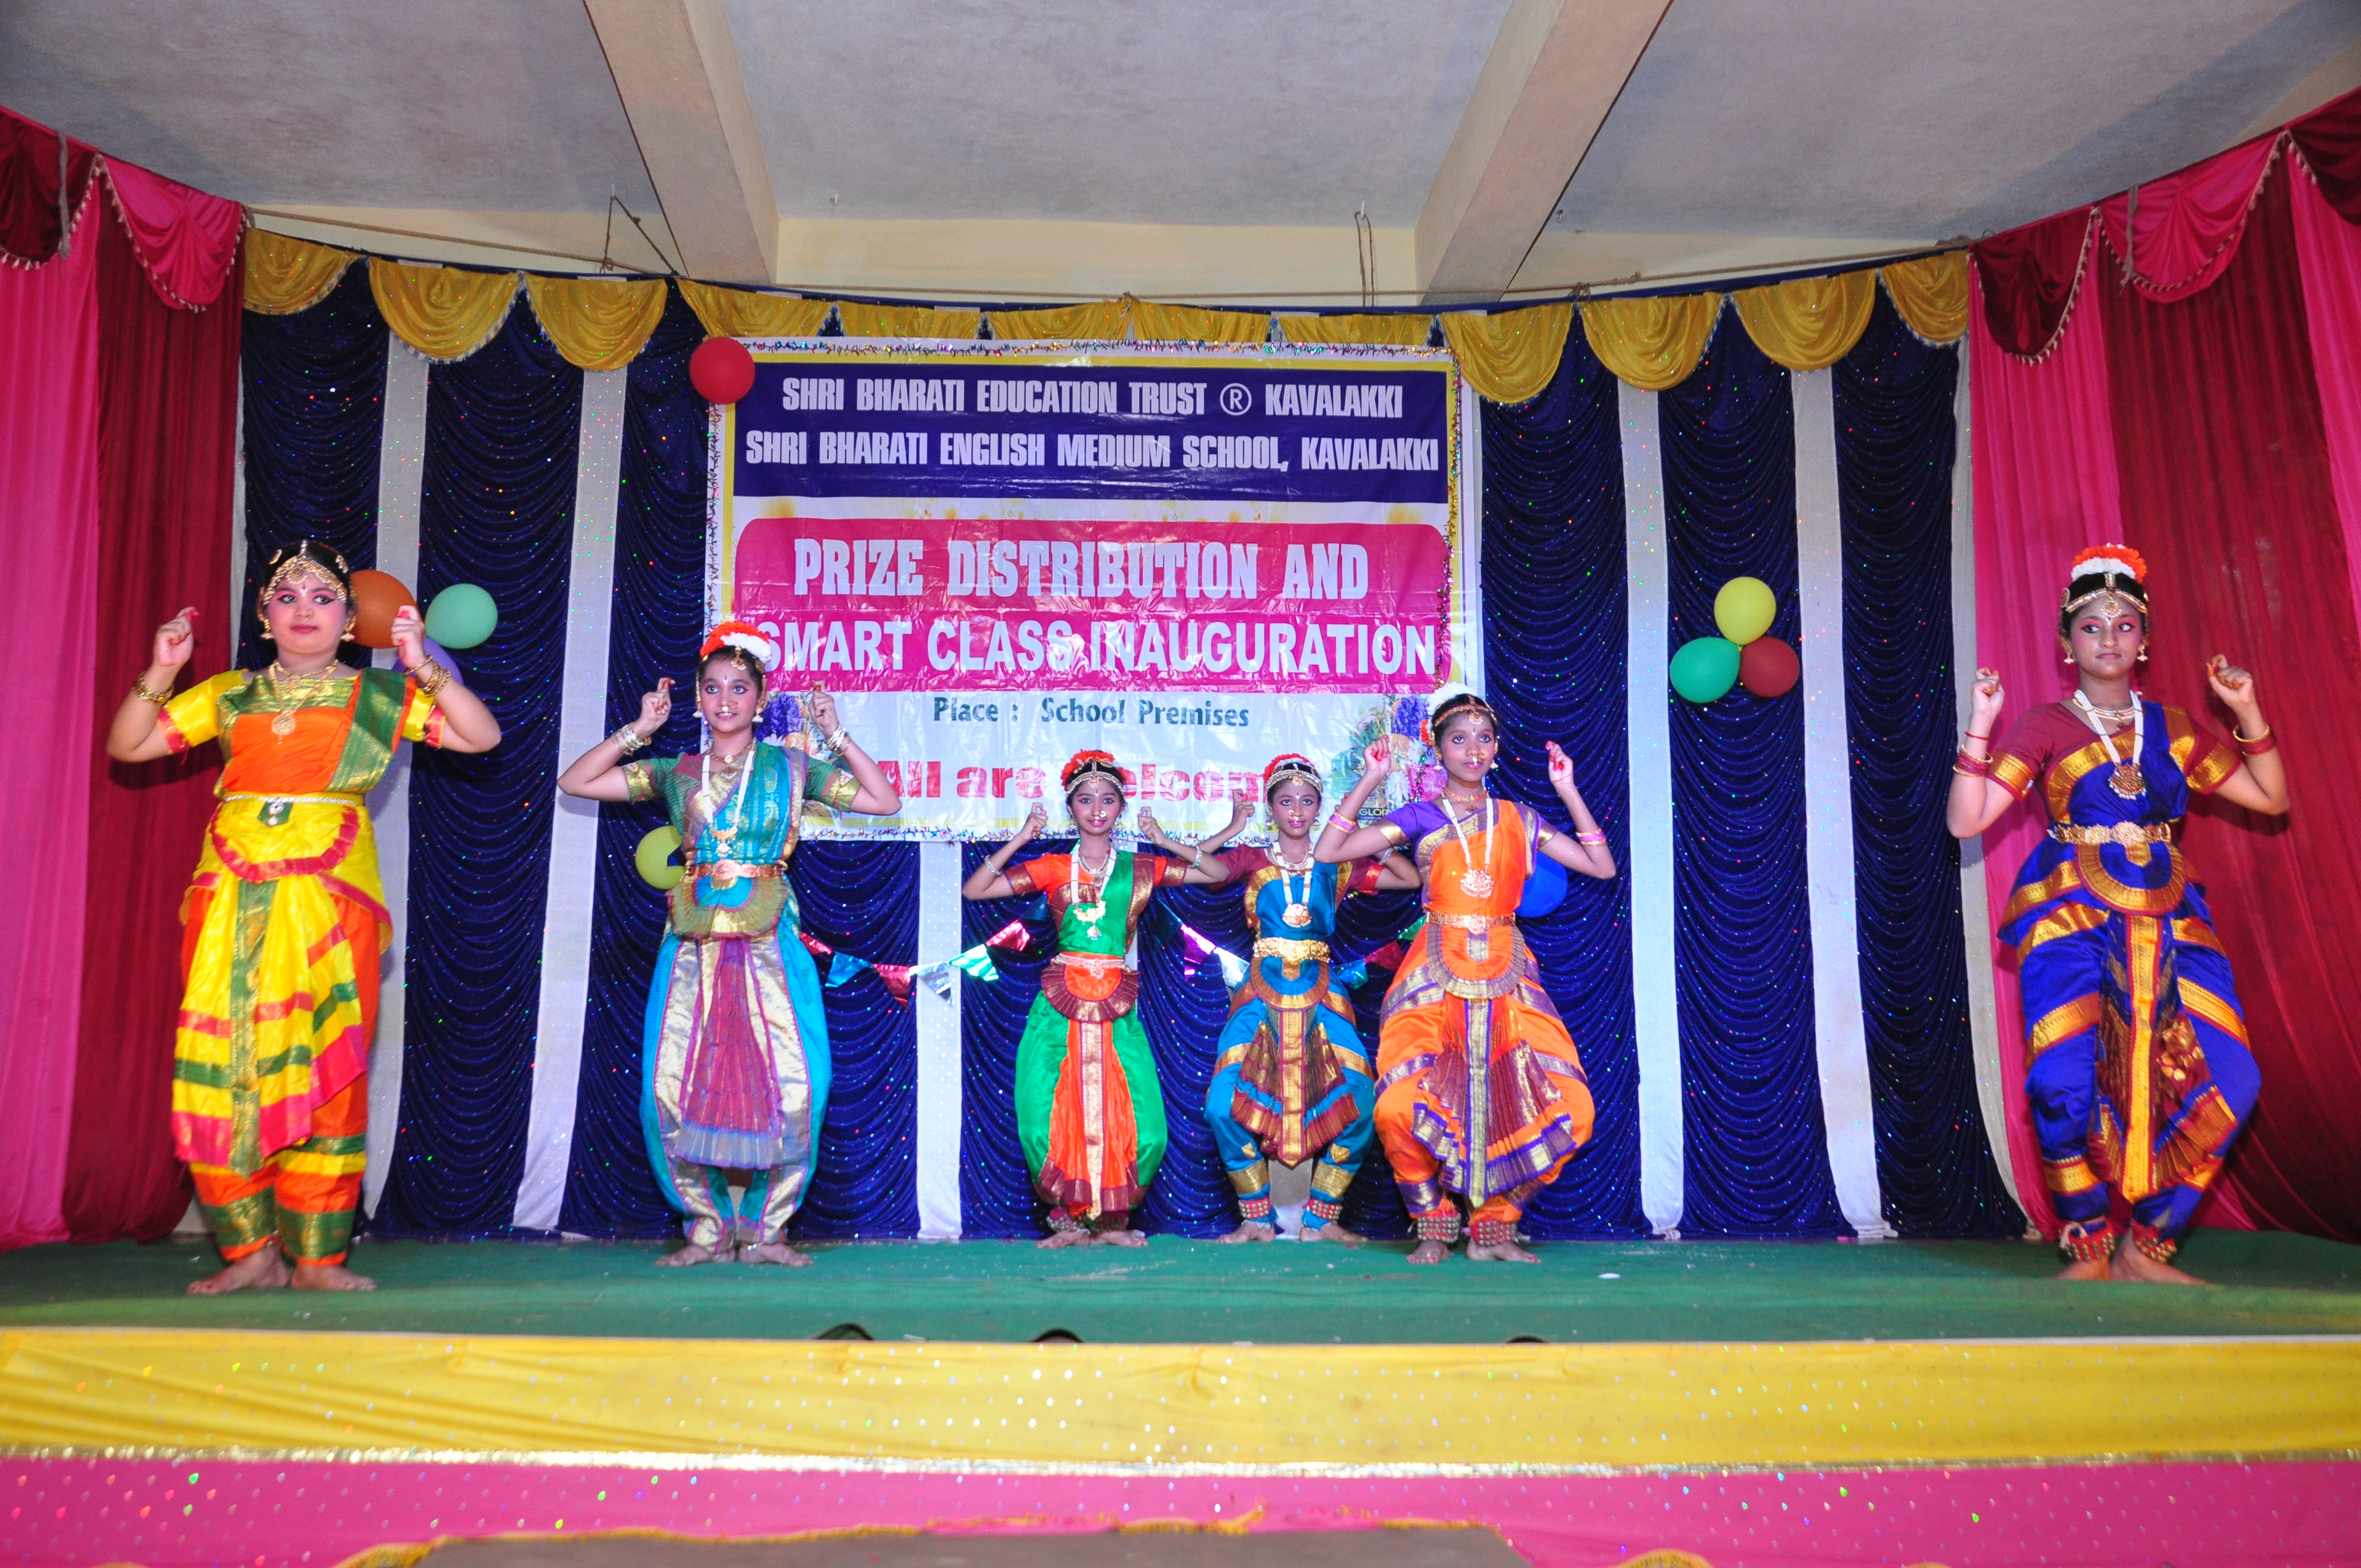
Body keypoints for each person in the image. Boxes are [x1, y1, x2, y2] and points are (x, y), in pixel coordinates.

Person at [106, 542, 502, 1294]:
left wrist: (420, 663)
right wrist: (162, 668)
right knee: (226, 1064)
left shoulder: (378, 697)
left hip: (331, 900)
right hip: (230, 896)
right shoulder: (229, 693)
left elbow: (482, 736)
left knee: (329, 1068)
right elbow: (127, 745)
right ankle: (249, 1251)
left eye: (322, 599)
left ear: (351, 620)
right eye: (286, 597)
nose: (304, 611)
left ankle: (318, 1256)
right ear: (265, 616)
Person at [1949, 546, 2286, 1284]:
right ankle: (2089, 1246)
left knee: (2233, 1079)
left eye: (2125, 624)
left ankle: (2148, 1246)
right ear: (2066, 645)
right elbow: (1965, 822)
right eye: (2092, 626)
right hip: (2070, 918)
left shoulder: (2176, 728)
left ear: (2145, 642)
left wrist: (2246, 710)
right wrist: (1981, 726)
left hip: (2172, 921)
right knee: (2061, 1082)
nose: (2109, 637)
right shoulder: (2045, 725)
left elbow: (2271, 799)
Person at [556, 623, 900, 1266]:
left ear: (761, 699)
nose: (724, 700)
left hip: (772, 940)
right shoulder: (676, 772)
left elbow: (884, 800)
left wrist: (835, 733)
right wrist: (639, 729)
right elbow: (575, 782)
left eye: (739, 688)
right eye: (712, 688)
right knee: (672, 1087)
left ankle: (768, 1230)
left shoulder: (792, 768)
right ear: (696, 697)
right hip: (693, 945)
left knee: (799, 1084)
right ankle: (707, 1229)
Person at [1315, 690, 1616, 1263]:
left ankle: (1494, 1227)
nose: (1473, 749)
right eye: (1459, 739)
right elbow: (1330, 852)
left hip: (1508, 974)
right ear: (1438, 750)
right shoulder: (1420, 816)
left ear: (1497, 749)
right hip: (1433, 973)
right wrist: (1371, 780)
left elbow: (1600, 866)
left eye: (1484, 738)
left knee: (1572, 1107)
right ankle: (1432, 1223)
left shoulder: (1519, 818)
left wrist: (1567, 789)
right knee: (1398, 1106)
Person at [963, 752, 1250, 1246]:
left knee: (1143, 1124)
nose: (1097, 809)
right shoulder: (1053, 867)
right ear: (1070, 808)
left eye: (1107, 800)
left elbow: (1215, 872)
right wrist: (1022, 837)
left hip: (1117, 1005)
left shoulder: (1139, 869)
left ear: (1121, 808)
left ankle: (1111, 1223)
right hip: (1058, 1009)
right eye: (1085, 799)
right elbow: (975, 890)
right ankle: (1070, 1223)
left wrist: (1168, 839)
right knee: (1046, 1116)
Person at [1206, 753, 1420, 1244]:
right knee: (1222, 1104)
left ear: (1320, 808)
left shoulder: (1337, 863)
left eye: (1307, 801)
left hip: (1323, 994)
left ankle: (1321, 1219)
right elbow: (1200, 866)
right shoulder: (1252, 860)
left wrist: (1367, 836)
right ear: (1271, 808)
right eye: (1286, 802)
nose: (1297, 811)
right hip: (1259, 996)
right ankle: (1256, 1219)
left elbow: (1410, 879)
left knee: (1361, 1101)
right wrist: (1232, 829)